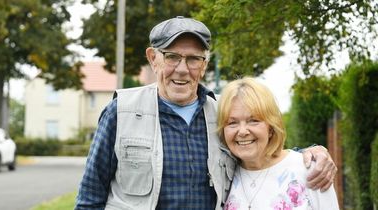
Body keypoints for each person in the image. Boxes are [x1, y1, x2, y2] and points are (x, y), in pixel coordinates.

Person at [75, 16, 337, 210]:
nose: (182, 69)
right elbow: (90, 197)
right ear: (153, 58)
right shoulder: (121, 111)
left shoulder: (225, 113)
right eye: (172, 57)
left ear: (204, 64)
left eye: (193, 59)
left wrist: (312, 152)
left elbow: (262, 151)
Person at [217, 77, 340, 210]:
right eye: (232, 123)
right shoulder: (223, 175)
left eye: (253, 120)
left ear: (271, 128)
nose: (242, 131)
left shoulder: (311, 170)